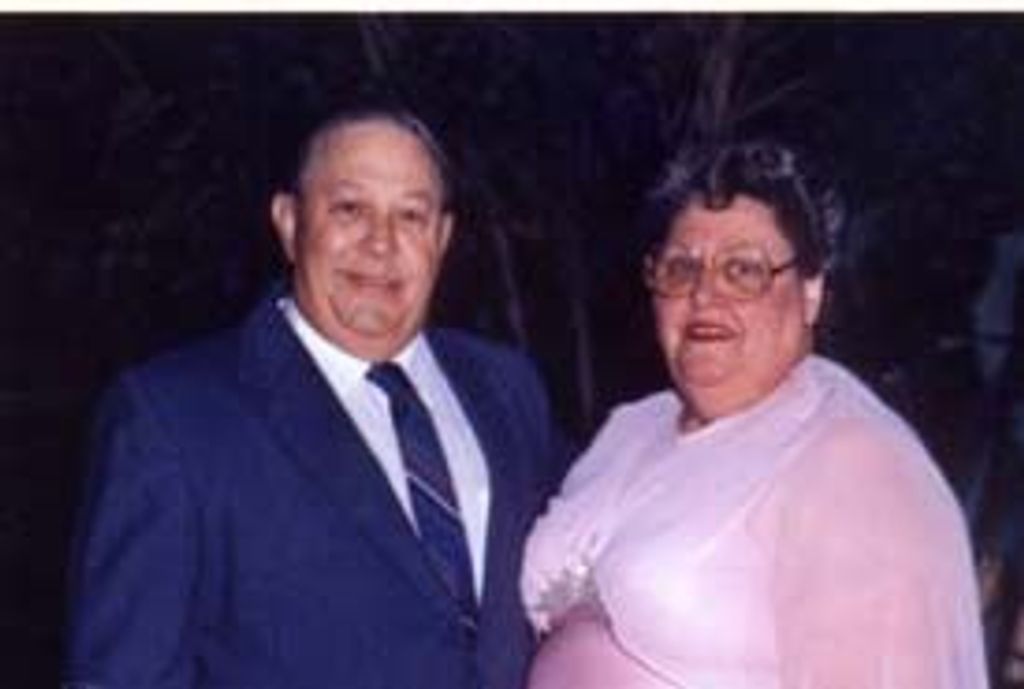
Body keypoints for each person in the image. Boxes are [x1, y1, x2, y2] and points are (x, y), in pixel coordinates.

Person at [64, 107, 566, 689]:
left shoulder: (505, 388)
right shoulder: (172, 420)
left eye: (410, 215)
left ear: (443, 237)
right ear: (289, 222)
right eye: (350, 209)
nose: (381, 243)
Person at [521, 141, 988, 689]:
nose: (704, 295)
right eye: (680, 268)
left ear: (811, 292)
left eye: (743, 270)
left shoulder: (853, 464)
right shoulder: (633, 428)